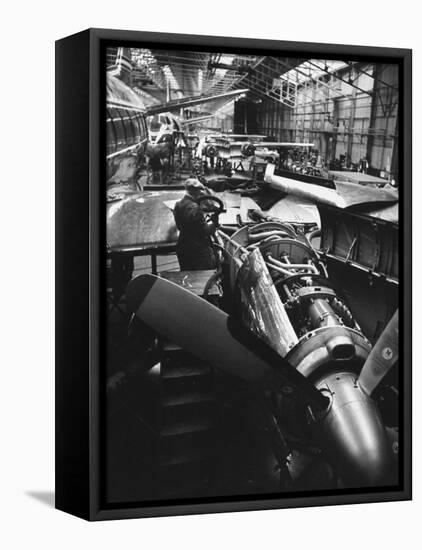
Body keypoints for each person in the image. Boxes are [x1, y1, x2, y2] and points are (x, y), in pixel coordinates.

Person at [173, 178, 218, 271]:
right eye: (199, 192)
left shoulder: (177, 205)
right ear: (196, 192)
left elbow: (179, 227)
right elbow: (206, 232)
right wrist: (214, 222)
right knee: (203, 276)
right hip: (198, 250)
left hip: (183, 247)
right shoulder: (196, 209)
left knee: (187, 276)